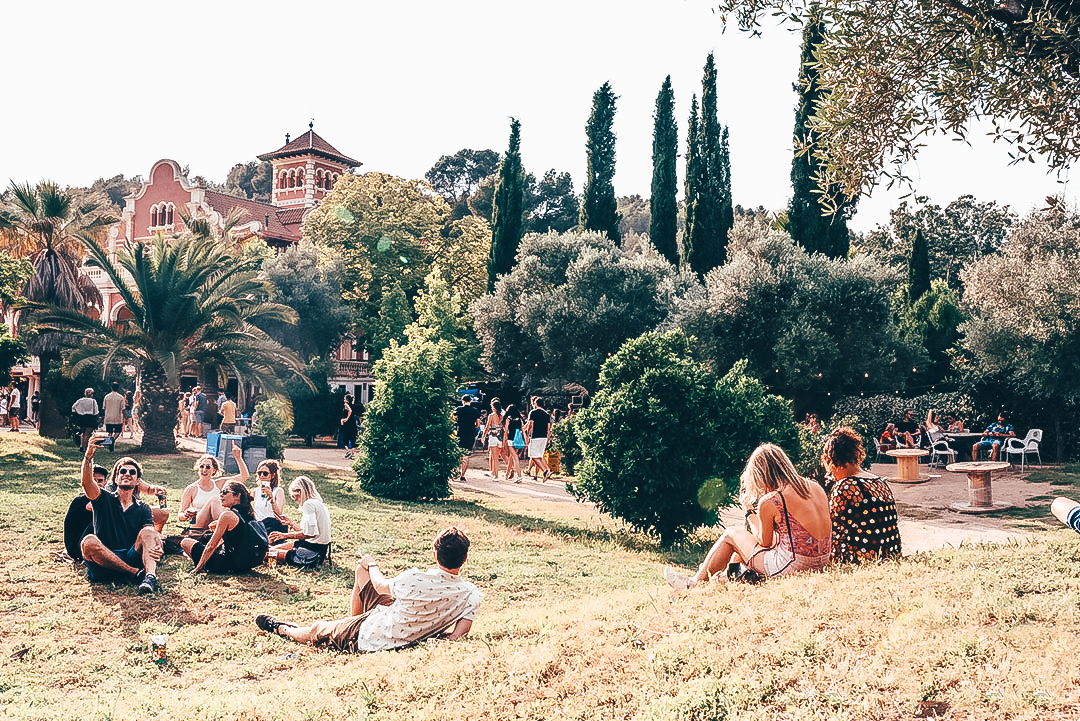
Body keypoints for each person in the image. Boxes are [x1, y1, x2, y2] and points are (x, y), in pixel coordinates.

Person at [255, 526, 481, 652]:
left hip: (375, 635)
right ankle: (350, 621)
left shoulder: (414, 578)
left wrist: (372, 563)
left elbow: (381, 585)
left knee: (316, 629)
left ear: (434, 554)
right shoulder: (471, 594)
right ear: (465, 558)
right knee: (361, 571)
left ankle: (282, 629)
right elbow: (456, 637)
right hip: (392, 617)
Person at [664, 444, 832, 589]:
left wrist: (750, 512)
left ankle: (692, 584)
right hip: (821, 562)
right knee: (740, 548)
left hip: (793, 566)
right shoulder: (815, 487)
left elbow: (763, 542)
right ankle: (725, 578)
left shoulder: (773, 500)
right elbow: (794, 537)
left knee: (731, 534)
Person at [78, 434, 163, 594]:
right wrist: (88, 456)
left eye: (132, 472)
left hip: (131, 554)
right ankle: (133, 573)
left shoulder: (143, 507)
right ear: (115, 479)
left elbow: (150, 533)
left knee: (148, 532)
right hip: (103, 562)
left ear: (138, 481)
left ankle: (150, 577)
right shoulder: (103, 498)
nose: (127, 473)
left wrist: (158, 546)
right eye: (122, 471)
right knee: (88, 541)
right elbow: (87, 483)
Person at [822, 426, 902, 563]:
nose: (832, 475)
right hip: (890, 553)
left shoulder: (845, 487)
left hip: (861, 557)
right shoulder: (880, 483)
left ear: (836, 462)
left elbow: (832, 527)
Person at [178, 480, 268, 574]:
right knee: (206, 538)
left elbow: (211, 546)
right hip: (244, 563)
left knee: (185, 542)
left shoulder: (227, 515)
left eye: (225, 492)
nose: (221, 495)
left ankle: (205, 565)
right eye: (220, 492)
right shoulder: (250, 513)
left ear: (237, 495)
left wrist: (198, 568)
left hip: (226, 564)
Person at [177, 445, 249, 533]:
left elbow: (244, 476)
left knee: (218, 503)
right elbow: (180, 516)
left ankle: (224, 529)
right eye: (201, 466)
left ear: (214, 470)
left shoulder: (219, 484)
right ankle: (226, 529)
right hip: (198, 525)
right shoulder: (191, 489)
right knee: (214, 500)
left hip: (214, 524)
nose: (204, 470)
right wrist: (185, 515)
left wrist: (238, 457)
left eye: (208, 467)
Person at [267, 476, 332, 568]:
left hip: (311, 551)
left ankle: (272, 564)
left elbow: (311, 533)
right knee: (271, 549)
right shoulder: (318, 503)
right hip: (317, 547)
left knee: (268, 553)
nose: (295, 499)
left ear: (300, 492)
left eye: (294, 496)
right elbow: (308, 532)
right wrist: (291, 523)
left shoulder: (308, 504)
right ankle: (273, 562)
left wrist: (284, 535)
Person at [250, 459, 289, 535]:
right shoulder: (256, 491)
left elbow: (279, 513)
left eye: (265, 473)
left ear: (273, 475)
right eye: (259, 473)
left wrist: (271, 497)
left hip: (272, 525)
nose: (261, 476)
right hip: (258, 525)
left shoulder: (278, 491)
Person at [453, 395, 482, 482]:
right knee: (466, 455)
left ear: (463, 401)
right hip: (470, 434)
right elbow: (478, 424)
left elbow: (454, 420)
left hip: (460, 433)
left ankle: (456, 472)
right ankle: (463, 475)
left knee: (458, 454)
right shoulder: (475, 411)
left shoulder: (459, 409)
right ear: (470, 401)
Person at [525, 396, 552, 482]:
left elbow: (530, 424)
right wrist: (548, 439)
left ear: (536, 404)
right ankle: (548, 469)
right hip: (544, 437)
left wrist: (528, 435)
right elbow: (548, 428)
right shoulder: (546, 414)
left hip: (535, 436)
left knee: (533, 456)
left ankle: (545, 471)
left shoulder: (533, 412)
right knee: (540, 456)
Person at [482, 398, 505, 480]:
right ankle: (495, 474)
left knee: (494, 457)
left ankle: (495, 475)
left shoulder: (491, 416)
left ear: (494, 407)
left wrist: (483, 436)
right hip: (500, 437)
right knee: (498, 458)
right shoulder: (502, 416)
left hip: (493, 437)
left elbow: (487, 427)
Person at [72, 388, 100, 453]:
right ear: (92, 394)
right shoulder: (93, 401)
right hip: (90, 418)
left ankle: (82, 445)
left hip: (82, 418)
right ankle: (85, 448)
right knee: (87, 434)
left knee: (83, 433)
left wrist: (79, 412)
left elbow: (73, 407)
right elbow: (96, 411)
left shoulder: (80, 400)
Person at [503, 404, 525, 483]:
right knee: (511, 457)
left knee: (515, 458)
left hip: (510, 440)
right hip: (518, 440)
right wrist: (525, 440)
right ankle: (507, 474)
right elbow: (523, 431)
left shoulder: (508, 419)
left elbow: (506, 432)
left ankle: (519, 476)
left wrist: (504, 441)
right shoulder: (520, 420)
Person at [339, 393, 358, 459]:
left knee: (345, 438)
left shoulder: (346, 405)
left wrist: (346, 419)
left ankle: (348, 452)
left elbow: (350, 411)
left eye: (345, 399)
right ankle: (352, 454)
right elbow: (353, 400)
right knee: (352, 438)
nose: (344, 400)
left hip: (348, 424)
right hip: (353, 423)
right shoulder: (352, 404)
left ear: (347, 400)